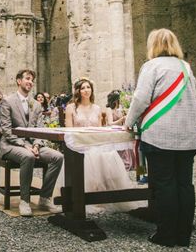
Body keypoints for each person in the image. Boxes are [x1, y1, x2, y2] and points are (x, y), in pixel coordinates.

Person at [125, 28, 196, 247]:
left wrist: (128, 122)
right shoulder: (186, 67)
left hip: (160, 135)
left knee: (164, 185)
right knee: (185, 184)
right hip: (187, 135)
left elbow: (140, 99)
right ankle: (183, 234)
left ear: (153, 45)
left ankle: (166, 234)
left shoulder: (152, 66)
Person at [61, 78, 145, 213]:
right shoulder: (71, 108)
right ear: (78, 91)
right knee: (90, 159)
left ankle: (109, 195)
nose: (86, 90)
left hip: (95, 144)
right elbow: (69, 131)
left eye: (88, 87)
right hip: (80, 146)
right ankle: (85, 197)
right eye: (83, 88)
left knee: (108, 156)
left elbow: (100, 131)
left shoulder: (97, 108)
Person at [0, 69, 63, 217]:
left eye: (32, 80)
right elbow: (7, 130)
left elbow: (40, 129)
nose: (30, 82)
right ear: (18, 81)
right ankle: (25, 201)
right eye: (27, 78)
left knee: (58, 157)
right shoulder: (7, 101)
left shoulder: (36, 104)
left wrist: (36, 145)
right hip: (11, 145)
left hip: (32, 145)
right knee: (28, 157)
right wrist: (26, 146)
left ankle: (45, 198)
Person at [105, 89, 135, 171]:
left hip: (120, 131)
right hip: (112, 132)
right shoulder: (109, 110)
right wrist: (121, 119)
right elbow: (110, 123)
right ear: (116, 100)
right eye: (120, 99)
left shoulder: (121, 109)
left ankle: (131, 162)